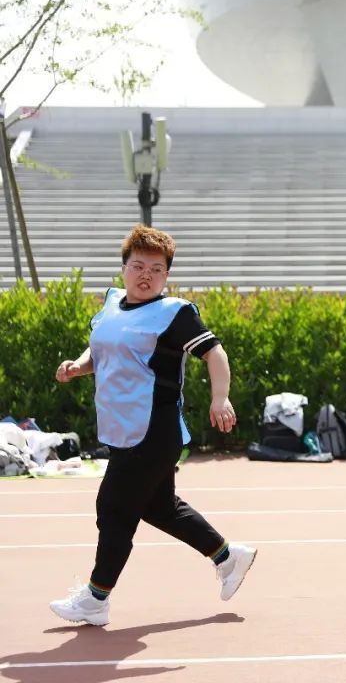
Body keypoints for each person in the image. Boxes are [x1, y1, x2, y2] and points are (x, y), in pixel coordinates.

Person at [50, 225, 257, 626]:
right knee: (160, 508)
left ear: (167, 275)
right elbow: (102, 348)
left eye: (157, 269)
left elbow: (215, 353)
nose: (146, 275)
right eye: (138, 266)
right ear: (124, 268)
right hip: (124, 429)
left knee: (114, 509)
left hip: (153, 430)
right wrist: (79, 366)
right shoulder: (112, 304)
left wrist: (220, 397)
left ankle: (95, 598)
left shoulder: (174, 314)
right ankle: (228, 556)